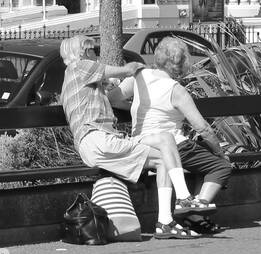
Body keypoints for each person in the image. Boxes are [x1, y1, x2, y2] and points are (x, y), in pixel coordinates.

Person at [58, 35, 211, 240]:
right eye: (93, 50)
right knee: (164, 150)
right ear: (84, 52)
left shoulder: (81, 81)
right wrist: (138, 67)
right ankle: (183, 200)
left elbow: (112, 98)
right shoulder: (78, 67)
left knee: (164, 152)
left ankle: (166, 221)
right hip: (97, 139)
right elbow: (126, 70)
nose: (96, 54)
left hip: (99, 142)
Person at [118, 37, 231, 236]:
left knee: (202, 160)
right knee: (220, 166)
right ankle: (194, 212)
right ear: (181, 64)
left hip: (141, 142)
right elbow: (203, 128)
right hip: (174, 146)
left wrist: (138, 106)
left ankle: (187, 212)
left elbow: (113, 99)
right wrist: (220, 153)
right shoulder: (176, 90)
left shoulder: (139, 76)